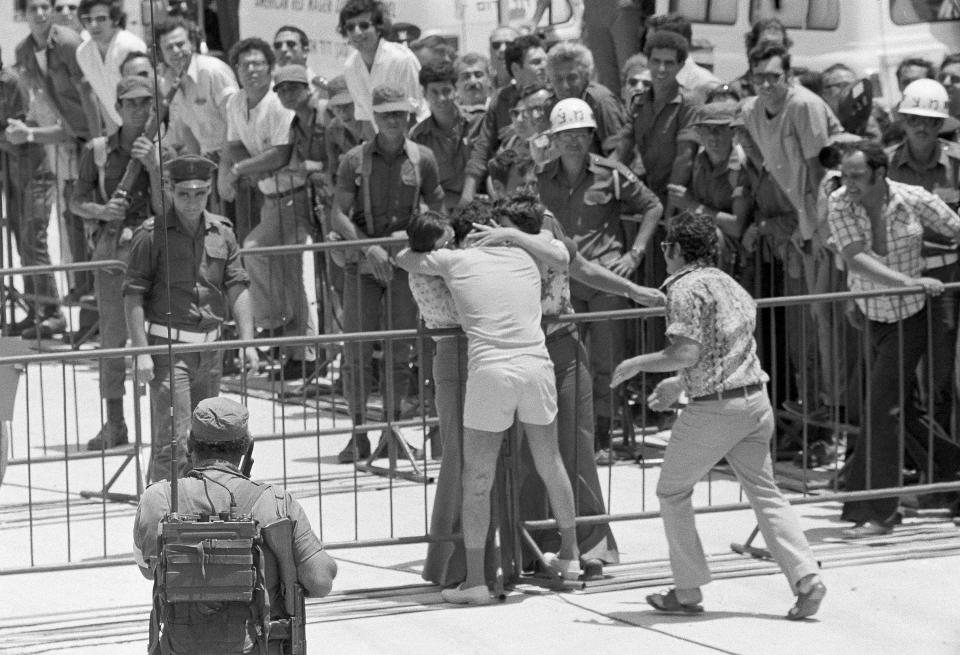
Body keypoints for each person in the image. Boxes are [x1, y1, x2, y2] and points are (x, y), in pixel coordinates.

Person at [611, 211, 827, 620]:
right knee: (766, 493)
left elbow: (688, 351)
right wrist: (679, 382)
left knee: (672, 492)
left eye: (665, 247)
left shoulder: (684, 288)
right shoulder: (730, 284)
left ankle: (687, 589)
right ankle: (807, 579)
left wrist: (638, 363)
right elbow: (721, 347)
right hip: (755, 401)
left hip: (716, 408)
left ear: (673, 249)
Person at [397, 209, 582, 604]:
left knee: (477, 477)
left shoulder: (455, 259)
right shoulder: (528, 255)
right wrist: (512, 235)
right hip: (537, 365)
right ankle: (571, 556)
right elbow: (563, 255)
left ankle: (477, 582)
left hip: (490, 370)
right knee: (552, 463)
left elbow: (404, 258)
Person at [133, 396, 337, 654]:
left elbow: (148, 569)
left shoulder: (159, 498)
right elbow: (320, 580)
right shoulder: (275, 502)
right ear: (245, 448)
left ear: (189, 446)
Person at [828, 140, 960, 537]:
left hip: (911, 317)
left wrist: (922, 283)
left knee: (883, 409)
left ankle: (877, 512)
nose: (847, 183)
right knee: (906, 412)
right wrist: (910, 282)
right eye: (844, 175)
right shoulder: (838, 203)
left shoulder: (912, 198)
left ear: (879, 173)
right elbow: (855, 257)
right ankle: (953, 474)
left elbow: (954, 226)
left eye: (856, 176)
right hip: (872, 316)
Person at [538, 98, 662, 460]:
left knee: (608, 361)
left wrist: (635, 253)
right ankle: (570, 436)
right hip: (562, 282)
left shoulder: (612, 172)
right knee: (563, 359)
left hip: (607, 278)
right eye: (566, 135)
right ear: (554, 139)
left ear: (592, 135)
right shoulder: (540, 176)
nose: (574, 141)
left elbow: (653, 205)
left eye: (581, 133)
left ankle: (603, 439)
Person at [123, 154, 258, 483]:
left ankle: (199, 513)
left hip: (211, 352)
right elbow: (132, 293)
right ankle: (160, 519)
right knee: (173, 443)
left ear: (210, 190)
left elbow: (237, 285)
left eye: (200, 193)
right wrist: (141, 352)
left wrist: (249, 342)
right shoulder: (152, 235)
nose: (192, 201)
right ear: (169, 190)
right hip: (170, 351)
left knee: (210, 441)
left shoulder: (222, 232)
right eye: (184, 194)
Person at [330, 84, 443, 463]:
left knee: (399, 349)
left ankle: (391, 432)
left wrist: (408, 234)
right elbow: (338, 214)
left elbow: (438, 212)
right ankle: (358, 432)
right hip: (362, 265)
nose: (395, 120)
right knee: (356, 351)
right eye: (387, 113)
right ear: (374, 116)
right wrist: (370, 246)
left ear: (410, 115)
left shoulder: (422, 158)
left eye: (400, 113)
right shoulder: (354, 160)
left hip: (403, 265)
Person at [740, 41, 842, 414]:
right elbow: (757, 150)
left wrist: (810, 229)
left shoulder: (803, 105)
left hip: (825, 224)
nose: (766, 85)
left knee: (824, 321)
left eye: (774, 76)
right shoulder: (750, 110)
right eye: (759, 77)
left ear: (789, 74)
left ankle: (834, 408)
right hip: (799, 226)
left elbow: (818, 174)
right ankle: (816, 404)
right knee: (808, 323)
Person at [72, 76, 165, 450]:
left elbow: (167, 208)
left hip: (152, 248)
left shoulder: (160, 148)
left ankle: (165, 423)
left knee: (159, 337)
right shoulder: (98, 150)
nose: (140, 110)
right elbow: (76, 201)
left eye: (146, 103)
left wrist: (154, 166)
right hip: (112, 253)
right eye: (131, 104)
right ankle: (115, 422)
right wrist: (103, 209)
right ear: (119, 107)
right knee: (112, 339)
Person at [225, 50, 319, 381]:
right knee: (289, 273)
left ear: (269, 69)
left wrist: (240, 169)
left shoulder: (279, 103)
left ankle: (273, 325)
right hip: (270, 197)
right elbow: (235, 145)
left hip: (292, 196)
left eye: (258, 64)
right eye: (245, 64)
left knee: (255, 250)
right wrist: (248, 165)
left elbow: (279, 156)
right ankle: (301, 351)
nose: (251, 70)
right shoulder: (236, 102)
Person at [12, 0, 99, 339]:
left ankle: (98, 318)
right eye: (34, 8)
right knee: (73, 225)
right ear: (24, 14)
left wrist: (97, 143)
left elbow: (89, 94)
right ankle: (85, 317)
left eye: (45, 6)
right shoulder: (23, 51)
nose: (42, 13)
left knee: (92, 224)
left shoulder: (67, 42)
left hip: (92, 139)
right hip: (65, 142)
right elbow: (43, 105)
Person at [885, 79, 960, 438]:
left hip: (946, 281)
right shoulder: (882, 165)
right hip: (896, 281)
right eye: (914, 117)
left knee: (940, 376)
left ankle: (939, 464)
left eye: (930, 120)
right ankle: (909, 456)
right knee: (895, 375)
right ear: (903, 120)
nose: (922, 126)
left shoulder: (958, 164)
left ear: (940, 124)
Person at [0, 47, 56, 339]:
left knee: (34, 241)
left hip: (34, 172)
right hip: (13, 174)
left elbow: (17, 133)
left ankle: (52, 312)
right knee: (23, 244)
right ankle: (37, 309)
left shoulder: (11, 82)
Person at [460, 33, 547, 205]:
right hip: (509, 187)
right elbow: (482, 149)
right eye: (536, 62)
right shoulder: (500, 100)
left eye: (545, 60)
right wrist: (467, 197)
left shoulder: (555, 96)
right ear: (516, 69)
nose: (544, 67)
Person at [339, 0, 424, 139]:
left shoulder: (402, 59)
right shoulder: (350, 67)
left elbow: (413, 113)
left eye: (364, 25)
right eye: (350, 27)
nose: (357, 32)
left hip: (417, 140)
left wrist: (402, 156)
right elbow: (366, 118)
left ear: (379, 28)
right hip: (383, 147)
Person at [156, 17, 237, 164]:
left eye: (180, 44)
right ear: (161, 53)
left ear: (192, 43)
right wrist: (197, 166)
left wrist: (224, 168)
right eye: (168, 47)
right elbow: (187, 129)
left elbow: (234, 124)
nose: (176, 51)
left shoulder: (214, 71)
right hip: (207, 158)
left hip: (233, 156)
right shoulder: (167, 82)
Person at [410, 59, 482, 210]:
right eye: (434, 92)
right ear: (424, 94)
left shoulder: (478, 122)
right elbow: (421, 189)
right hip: (444, 211)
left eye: (446, 91)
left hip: (483, 204)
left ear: (455, 90)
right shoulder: (418, 137)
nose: (441, 98)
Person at [74, 0, 146, 134]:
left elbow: (144, 100)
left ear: (116, 19)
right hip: (122, 131)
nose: (93, 25)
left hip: (149, 127)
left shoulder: (130, 46)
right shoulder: (83, 53)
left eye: (101, 18)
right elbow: (103, 98)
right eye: (88, 20)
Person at [545, 41, 626, 156]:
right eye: (558, 79)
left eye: (572, 78)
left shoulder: (600, 101)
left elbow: (620, 149)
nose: (565, 86)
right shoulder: (551, 105)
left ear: (586, 77)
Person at [644, 13, 720, 105]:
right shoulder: (643, 80)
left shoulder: (706, 84)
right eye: (648, 42)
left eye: (659, 44)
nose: (648, 48)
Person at [453, 52, 492, 118]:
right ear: (456, 83)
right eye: (466, 76)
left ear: (489, 80)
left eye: (478, 75)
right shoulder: (449, 115)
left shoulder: (500, 110)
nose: (472, 81)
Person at [487, 25, 519, 89]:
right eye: (496, 45)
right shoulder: (483, 88)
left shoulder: (530, 85)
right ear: (490, 50)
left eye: (510, 44)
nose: (502, 49)